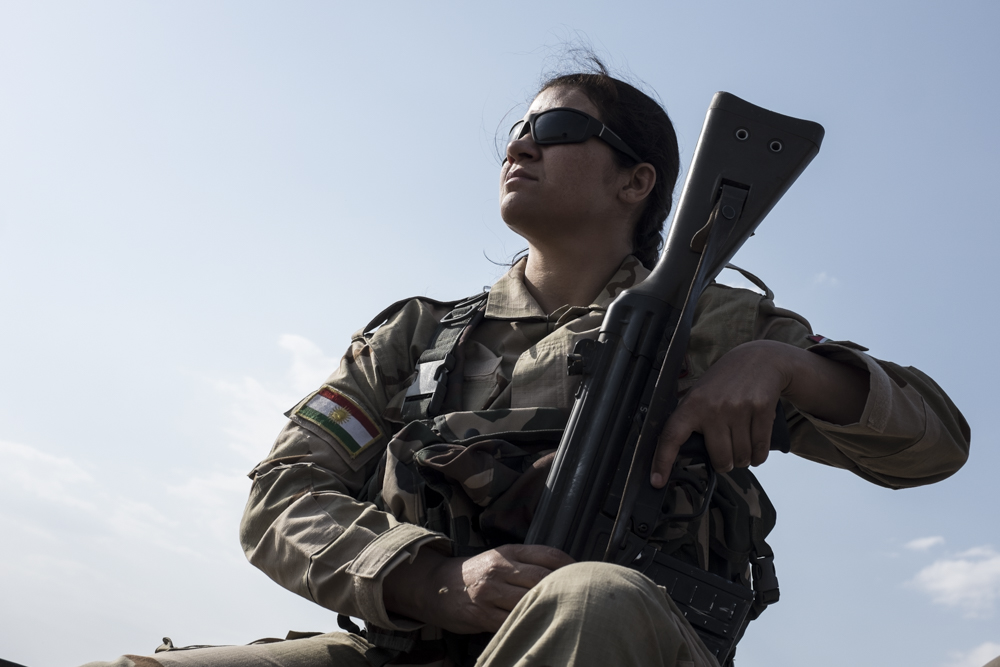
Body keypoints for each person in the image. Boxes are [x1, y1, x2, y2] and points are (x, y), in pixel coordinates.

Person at [83, 62, 970, 667]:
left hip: (618, 637)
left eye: (555, 127)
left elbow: (935, 443)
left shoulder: (713, 321)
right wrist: (433, 577)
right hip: (413, 643)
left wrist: (790, 367)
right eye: (516, 129)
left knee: (594, 598)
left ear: (638, 182)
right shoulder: (415, 336)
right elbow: (281, 496)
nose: (520, 144)